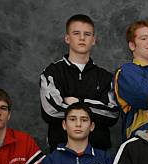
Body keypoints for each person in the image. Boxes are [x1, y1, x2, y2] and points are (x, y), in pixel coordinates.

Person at [40, 14, 119, 151]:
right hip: (61, 151)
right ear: (67, 38)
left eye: (87, 34)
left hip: (98, 154)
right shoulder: (52, 72)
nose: (82, 38)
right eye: (76, 33)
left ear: (93, 40)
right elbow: (51, 111)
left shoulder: (106, 77)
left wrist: (76, 102)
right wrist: (93, 108)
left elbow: (112, 113)